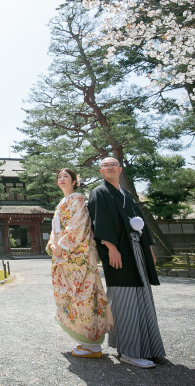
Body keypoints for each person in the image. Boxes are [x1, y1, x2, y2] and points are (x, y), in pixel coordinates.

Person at [87, 157, 166, 369]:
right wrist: (111, 248)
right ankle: (129, 352)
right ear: (101, 170)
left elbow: (142, 224)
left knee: (142, 295)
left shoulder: (128, 195)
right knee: (124, 298)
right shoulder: (99, 193)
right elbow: (99, 221)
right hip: (118, 251)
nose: (110, 167)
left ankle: (148, 348)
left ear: (120, 170)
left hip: (137, 249)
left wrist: (148, 248)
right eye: (106, 165)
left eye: (114, 164)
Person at [46, 168, 113, 359]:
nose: (61, 179)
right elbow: (55, 228)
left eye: (66, 176)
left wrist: (61, 245)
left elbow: (79, 225)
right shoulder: (62, 202)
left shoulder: (77, 199)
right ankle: (86, 341)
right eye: (59, 177)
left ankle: (92, 342)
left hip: (77, 255)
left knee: (84, 294)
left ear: (75, 181)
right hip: (64, 254)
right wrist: (53, 242)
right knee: (69, 294)